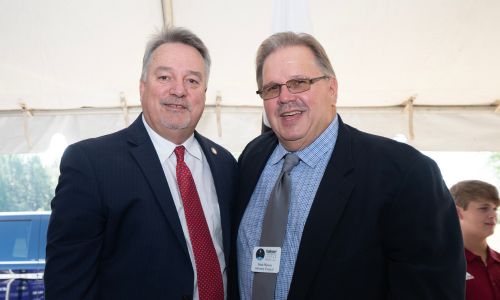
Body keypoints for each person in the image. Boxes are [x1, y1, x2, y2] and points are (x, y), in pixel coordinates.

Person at [230, 31, 465, 299]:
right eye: (272, 88)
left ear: (332, 88)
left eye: (299, 83)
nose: (285, 97)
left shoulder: (404, 173)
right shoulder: (252, 157)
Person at [44, 27, 238, 299]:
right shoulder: (91, 164)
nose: (179, 90)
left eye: (192, 81)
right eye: (164, 77)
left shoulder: (226, 164)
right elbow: (68, 285)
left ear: (204, 92)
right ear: (142, 86)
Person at [450, 180, 500, 300]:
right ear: (457, 212)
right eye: (484, 208)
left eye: (495, 208)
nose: (493, 214)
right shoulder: (444, 265)